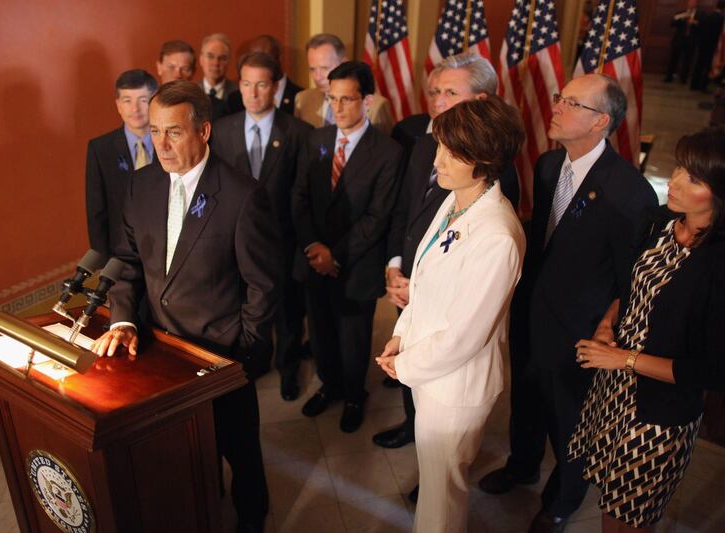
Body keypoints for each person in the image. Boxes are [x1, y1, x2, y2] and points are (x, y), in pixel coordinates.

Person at [90, 80, 282, 533]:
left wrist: (247, 351)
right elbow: (128, 260)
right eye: (155, 130)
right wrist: (123, 319)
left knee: (241, 455)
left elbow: (263, 285)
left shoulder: (241, 195)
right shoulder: (140, 185)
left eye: (174, 132)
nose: (161, 143)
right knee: (189, 452)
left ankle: (252, 520)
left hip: (222, 357)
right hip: (161, 354)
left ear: (205, 131)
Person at [478, 73, 658, 533]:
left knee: (568, 420)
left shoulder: (629, 192)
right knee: (527, 400)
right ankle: (522, 466)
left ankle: (562, 500)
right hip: (531, 312)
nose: (555, 107)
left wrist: (607, 331)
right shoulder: (545, 164)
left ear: (601, 122)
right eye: (560, 97)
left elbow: (630, 279)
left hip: (579, 330)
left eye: (570, 103)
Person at [376, 95, 527, 532]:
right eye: (439, 146)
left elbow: (466, 334)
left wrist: (404, 365)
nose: (437, 159)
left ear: (483, 159)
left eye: (451, 152)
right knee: (437, 486)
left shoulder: (497, 235)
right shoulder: (456, 199)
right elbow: (423, 282)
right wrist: (402, 334)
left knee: (443, 502)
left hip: (457, 387)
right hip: (431, 370)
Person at [568, 127, 725, 532]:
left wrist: (624, 358)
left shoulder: (716, 262)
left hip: (659, 412)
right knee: (608, 500)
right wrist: (607, 324)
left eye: (693, 178)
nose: (673, 181)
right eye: (678, 168)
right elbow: (631, 289)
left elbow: (709, 371)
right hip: (615, 388)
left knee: (631, 517)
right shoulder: (660, 223)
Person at [292, 61, 403, 433]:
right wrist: (313, 247)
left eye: (347, 99)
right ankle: (331, 386)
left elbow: (377, 216)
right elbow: (300, 197)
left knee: (353, 339)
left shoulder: (388, 152)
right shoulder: (316, 140)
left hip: (356, 265)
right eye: (331, 99)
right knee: (320, 332)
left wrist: (334, 254)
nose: (337, 108)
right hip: (313, 258)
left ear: (367, 101)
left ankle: (355, 395)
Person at [210, 51, 312, 401]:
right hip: (236, 246)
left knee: (287, 313)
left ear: (277, 86)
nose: (253, 93)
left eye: (262, 85)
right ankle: (252, 365)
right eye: (247, 84)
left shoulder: (299, 133)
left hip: (283, 243)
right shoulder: (221, 131)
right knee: (245, 309)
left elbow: (303, 197)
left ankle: (288, 368)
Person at [86, 69, 158, 257]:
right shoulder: (101, 149)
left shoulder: (172, 142)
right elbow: (97, 212)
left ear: (154, 101)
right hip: (123, 253)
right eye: (127, 101)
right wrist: (102, 263)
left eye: (143, 100)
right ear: (118, 105)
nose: (135, 109)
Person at [294, 33, 394, 134]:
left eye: (324, 68)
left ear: (343, 63)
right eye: (312, 69)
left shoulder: (376, 106)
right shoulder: (302, 100)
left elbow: (384, 147)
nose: (317, 77)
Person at [226, 35, 304, 115]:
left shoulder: (301, 97)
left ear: (279, 58)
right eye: (255, 58)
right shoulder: (235, 99)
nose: (260, 64)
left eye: (266, 59)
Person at [156, 39, 228, 119]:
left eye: (185, 69)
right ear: (159, 68)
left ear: (193, 72)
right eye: (171, 67)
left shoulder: (211, 107)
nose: (177, 75)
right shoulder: (145, 103)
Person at [665, 0, 702, 83]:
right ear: (687, 3)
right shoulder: (681, 13)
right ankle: (669, 76)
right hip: (679, 40)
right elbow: (672, 23)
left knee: (687, 60)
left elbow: (703, 27)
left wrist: (696, 23)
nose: (691, 4)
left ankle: (683, 79)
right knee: (674, 59)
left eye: (693, 2)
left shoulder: (700, 15)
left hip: (691, 41)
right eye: (690, 2)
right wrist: (681, 18)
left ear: (696, 4)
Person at [198, 33, 238, 101]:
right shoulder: (190, 93)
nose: (216, 63)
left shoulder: (239, 93)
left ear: (228, 61)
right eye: (210, 56)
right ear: (201, 59)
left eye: (222, 58)